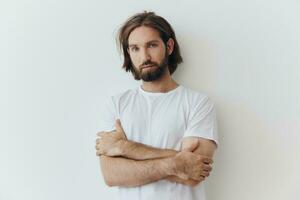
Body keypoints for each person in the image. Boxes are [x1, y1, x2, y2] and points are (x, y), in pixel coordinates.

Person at [95, 11, 218, 200]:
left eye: (151, 45)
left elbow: (194, 174)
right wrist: (176, 163)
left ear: (169, 46)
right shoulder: (116, 104)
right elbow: (111, 175)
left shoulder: (198, 103)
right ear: (129, 53)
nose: (144, 56)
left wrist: (125, 148)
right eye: (135, 48)